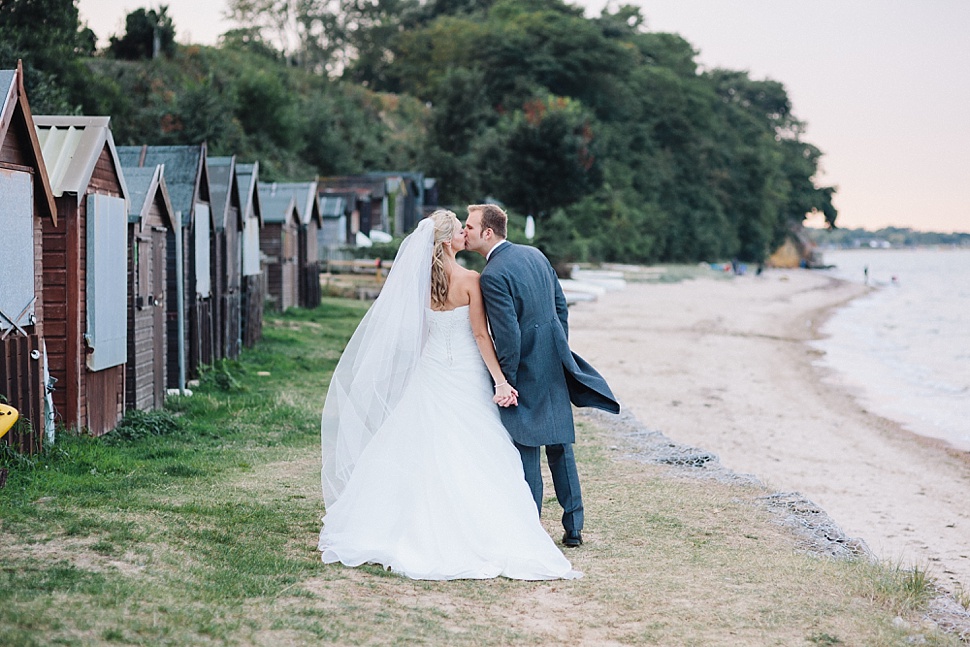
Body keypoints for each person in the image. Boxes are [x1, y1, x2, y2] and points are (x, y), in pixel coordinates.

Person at [318, 209, 579, 581]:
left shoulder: (419, 282)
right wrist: (501, 381)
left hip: (432, 371)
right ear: (446, 241)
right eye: (459, 230)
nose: (464, 235)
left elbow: (420, 334)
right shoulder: (471, 279)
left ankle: (403, 522)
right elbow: (480, 336)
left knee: (421, 446)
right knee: (480, 447)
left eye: (466, 228)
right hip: (467, 373)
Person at [463, 204, 620, 548]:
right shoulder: (535, 254)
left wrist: (506, 378)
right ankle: (574, 528)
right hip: (554, 360)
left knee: (527, 449)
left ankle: (530, 530)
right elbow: (560, 305)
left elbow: (507, 335)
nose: (466, 231)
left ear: (488, 233)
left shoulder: (492, 275)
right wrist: (557, 344)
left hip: (524, 368)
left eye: (470, 226)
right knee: (561, 447)